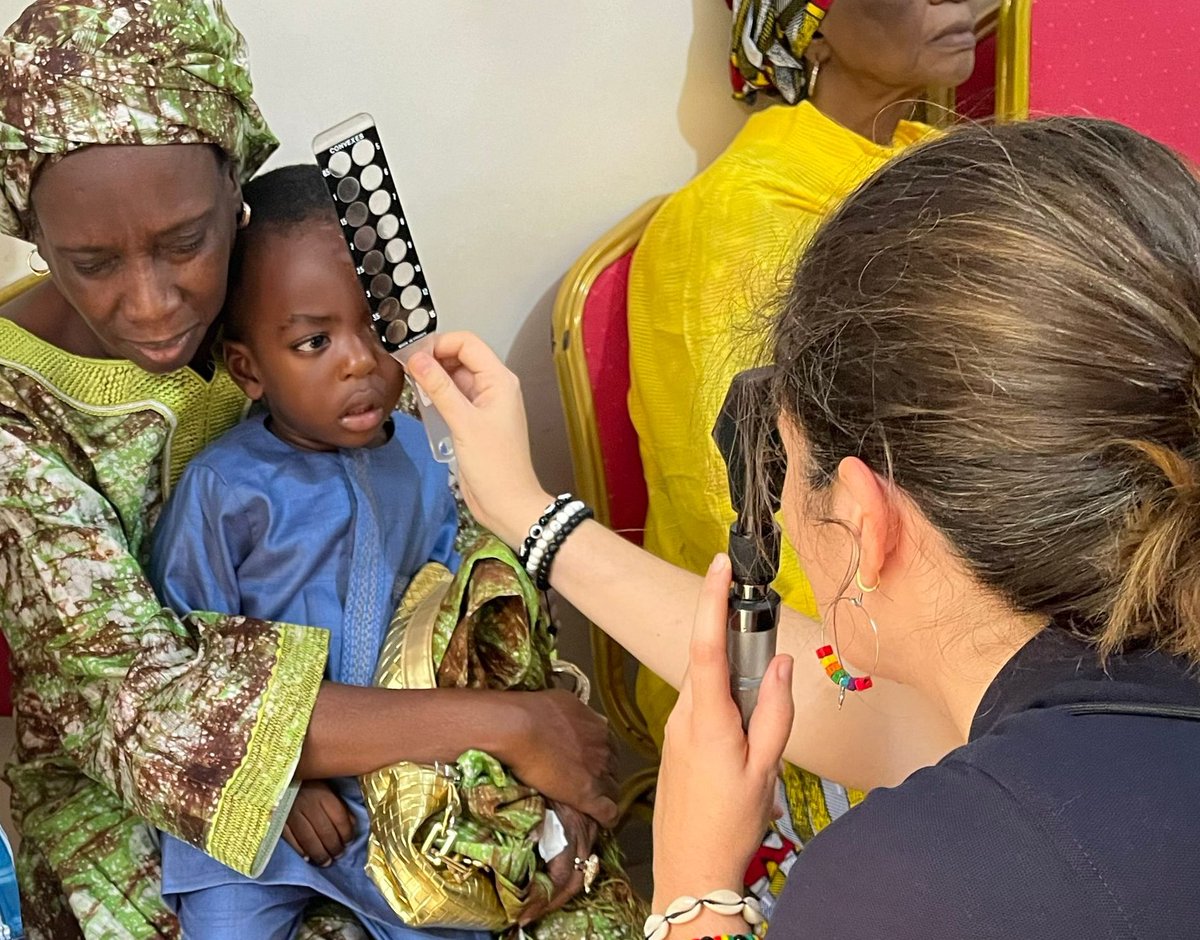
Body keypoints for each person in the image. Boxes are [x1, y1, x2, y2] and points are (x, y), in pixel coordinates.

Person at [408, 116, 1200, 937]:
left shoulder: (908, 886)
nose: (779, 506)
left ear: (862, 519)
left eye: (785, 465)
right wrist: (529, 514)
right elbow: (849, 703)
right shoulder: (1110, 677)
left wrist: (691, 891)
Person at [0, 4, 615, 937]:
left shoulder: (298, 312)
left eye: (186, 243)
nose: (154, 301)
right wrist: (506, 725)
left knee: (562, 900)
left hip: (384, 713)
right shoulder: (15, 418)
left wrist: (531, 715)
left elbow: (444, 534)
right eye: (90, 262)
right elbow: (153, 717)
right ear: (34, 236)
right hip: (134, 794)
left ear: (235, 196)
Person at [627, 0, 976, 892]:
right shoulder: (733, 224)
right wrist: (942, 657)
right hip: (799, 655)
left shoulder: (925, 178)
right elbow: (742, 511)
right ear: (806, 24)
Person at [146, 164, 483, 939]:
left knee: (455, 925)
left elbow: (444, 619)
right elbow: (188, 663)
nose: (360, 360)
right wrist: (281, 782)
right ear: (248, 369)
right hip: (255, 814)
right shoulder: (226, 489)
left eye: (377, 327)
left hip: (390, 793)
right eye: (314, 341)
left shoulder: (428, 465)